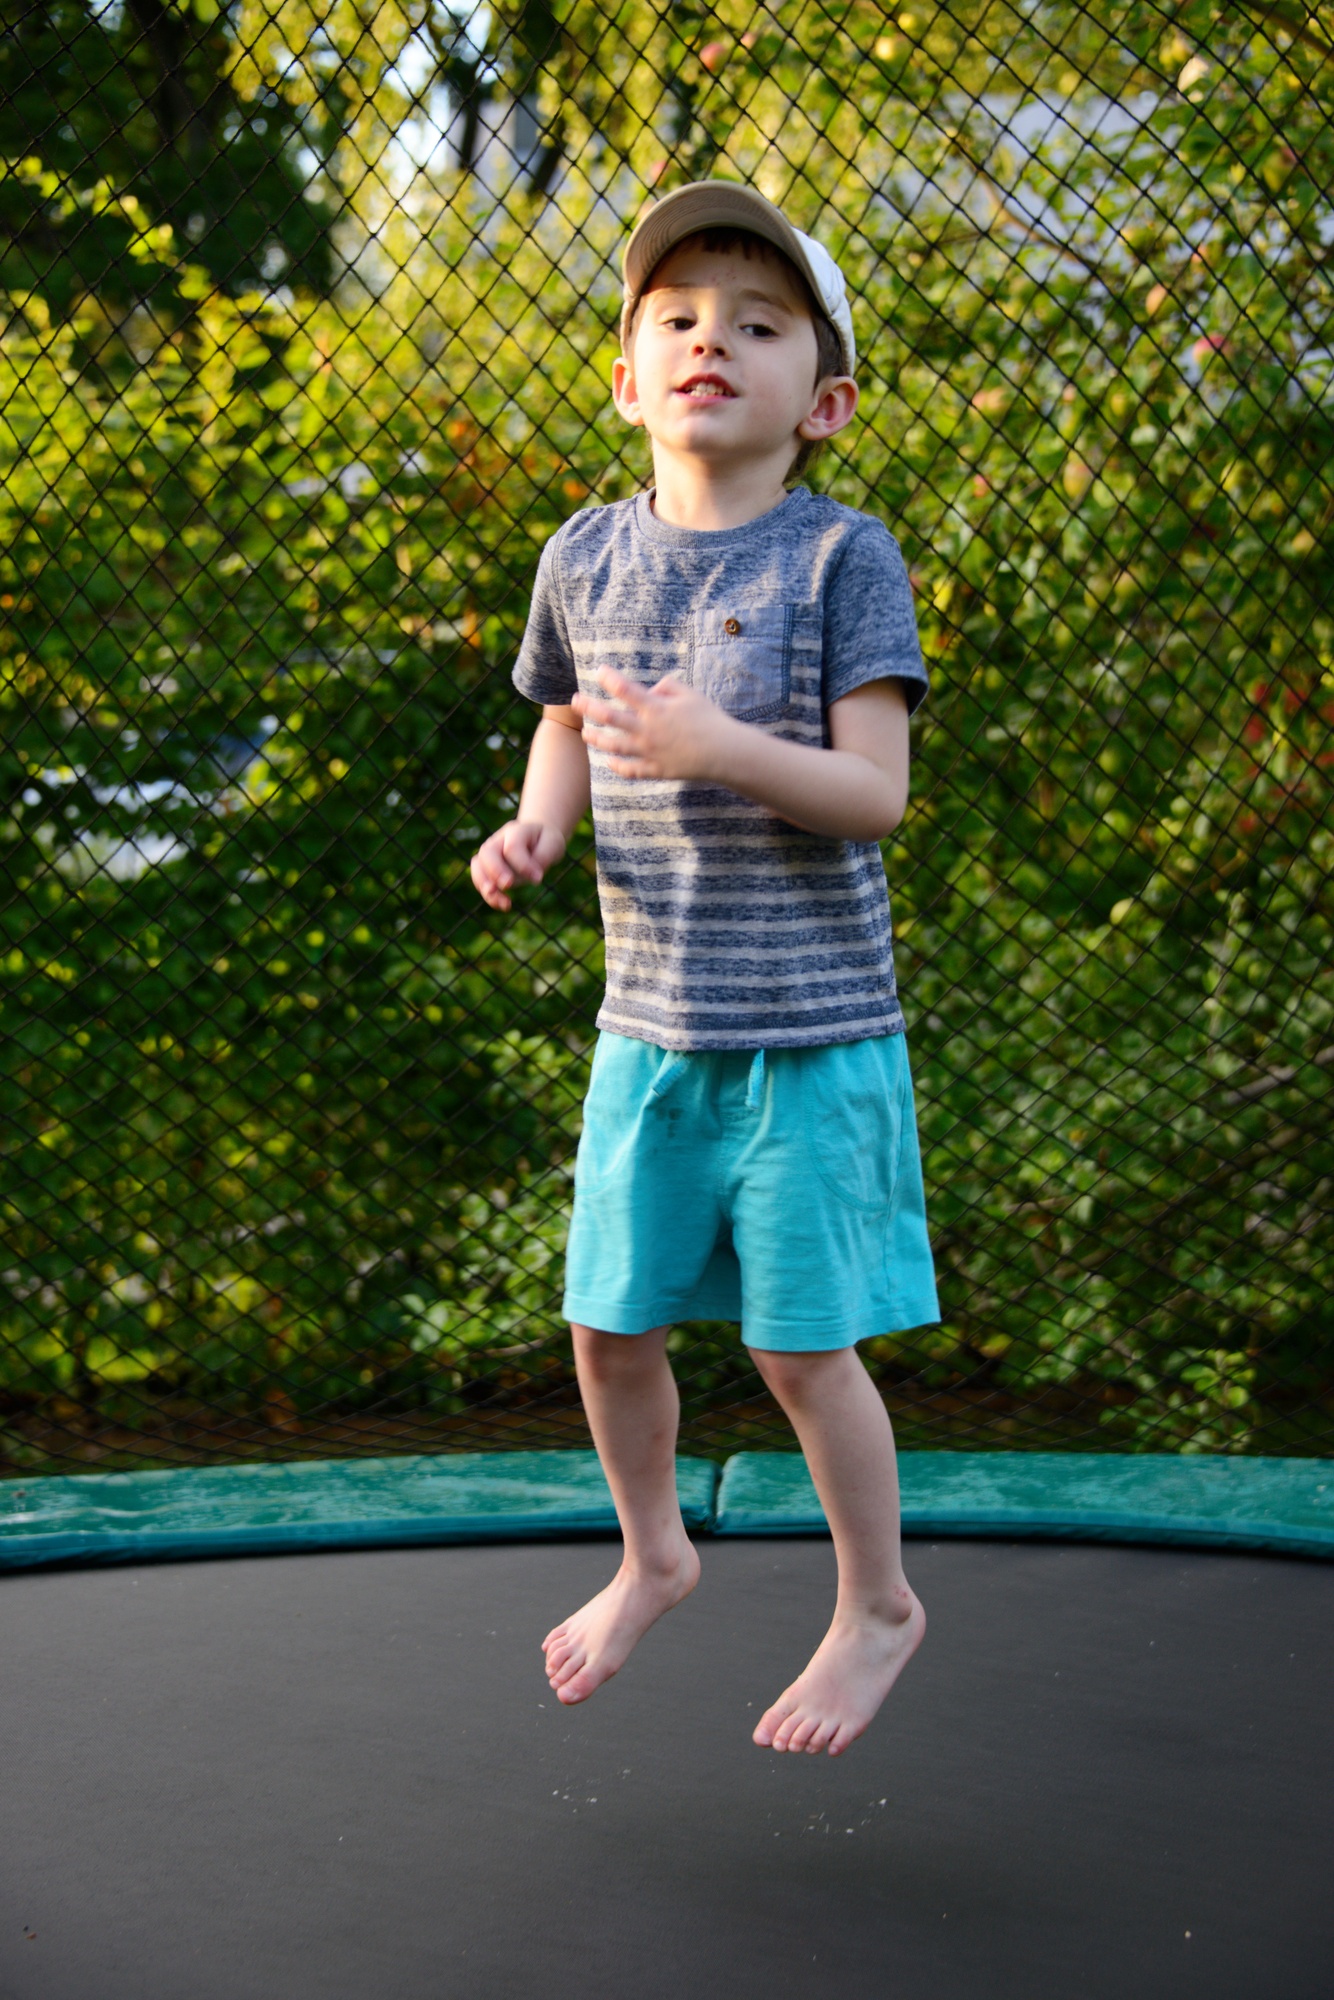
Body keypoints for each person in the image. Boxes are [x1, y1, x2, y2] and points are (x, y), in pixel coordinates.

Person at [470, 180, 940, 1758]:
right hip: (650, 1033)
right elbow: (566, 718)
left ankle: (875, 1604)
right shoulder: (585, 556)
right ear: (626, 379)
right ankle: (652, 1552)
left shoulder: (841, 560)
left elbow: (873, 795)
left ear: (824, 402)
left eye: (755, 323)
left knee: (799, 1350)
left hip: (810, 1037)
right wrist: (538, 827)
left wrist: (720, 748)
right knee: (608, 1329)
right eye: (674, 319)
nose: (707, 342)